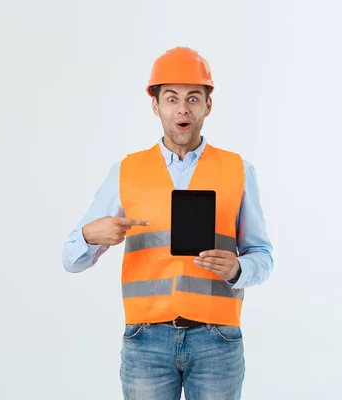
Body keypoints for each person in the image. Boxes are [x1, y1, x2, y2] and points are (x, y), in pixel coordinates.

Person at [62, 46, 274, 400]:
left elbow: (263, 256)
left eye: (193, 98)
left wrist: (239, 268)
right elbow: (71, 259)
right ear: (155, 105)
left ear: (208, 105)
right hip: (145, 342)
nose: (182, 108)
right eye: (171, 98)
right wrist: (88, 235)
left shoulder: (239, 171)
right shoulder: (126, 172)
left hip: (217, 341)